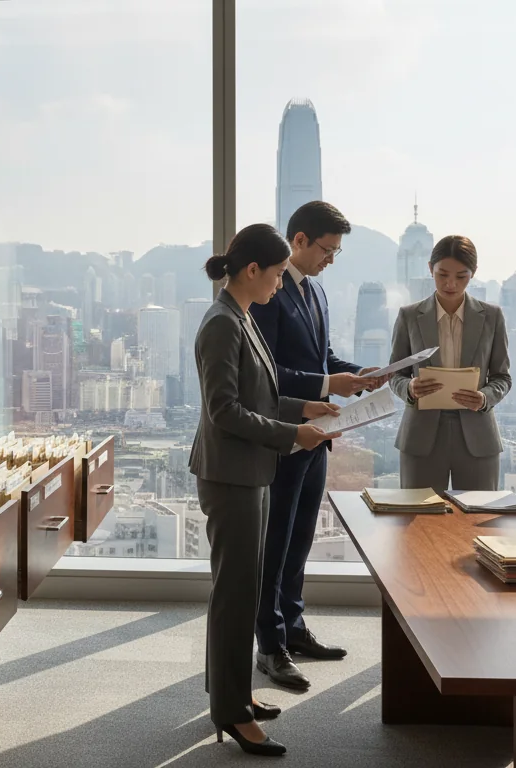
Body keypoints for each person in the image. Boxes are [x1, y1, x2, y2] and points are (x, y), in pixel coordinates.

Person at [190, 223, 341, 757]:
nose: (281, 284)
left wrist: (303, 407)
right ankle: (231, 712)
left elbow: (259, 393)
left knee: (240, 592)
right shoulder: (221, 325)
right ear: (252, 270)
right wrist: (291, 434)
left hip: (249, 470)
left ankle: (230, 694)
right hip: (230, 474)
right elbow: (225, 411)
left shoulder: (242, 317)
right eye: (277, 274)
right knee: (235, 595)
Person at [249, 202, 384, 691]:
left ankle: (295, 627)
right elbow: (266, 375)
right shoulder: (268, 291)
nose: (331, 259)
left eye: (336, 252)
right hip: (285, 434)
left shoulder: (319, 292)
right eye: (327, 249)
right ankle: (271, 645)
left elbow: (321, 357)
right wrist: (330, 381)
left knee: (300, 540)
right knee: (275, 545)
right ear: (299, 241)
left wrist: (361, 375)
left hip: (318, 439)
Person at [389, 235, 512, 491]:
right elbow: (395, 375)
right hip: (421, 436)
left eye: (461, 276)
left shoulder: (492, 317)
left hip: (478, 435)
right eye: (442, 274)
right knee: (418, 522)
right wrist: (409, 388)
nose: (450, 284)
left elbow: (503, 377)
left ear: (473, 273)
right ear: (430, 268)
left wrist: (484, 397)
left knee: (476, 519)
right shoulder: (409, 316)